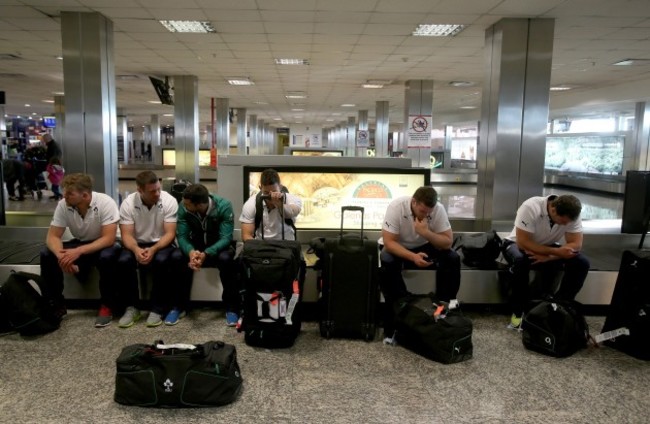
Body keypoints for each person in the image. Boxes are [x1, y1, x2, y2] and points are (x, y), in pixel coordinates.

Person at [39, 173, 121, 327]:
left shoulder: (105, 203)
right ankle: (56, 304)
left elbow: (108, 238)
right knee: (46, 253)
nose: (65, 196)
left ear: (84, 195)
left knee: (107, 257)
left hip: (102, 244)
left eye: (69, 193)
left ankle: (107, 305)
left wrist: (78, 252)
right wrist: (61, 256)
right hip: (81, 243)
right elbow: (53, 237)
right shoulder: (64, 205)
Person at [379, 186, 461, 337]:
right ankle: (401, 308)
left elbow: (447, 242)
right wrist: (413, 257)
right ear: (414, 202)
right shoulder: (397, 207)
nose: (426, 215)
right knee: (386, 259)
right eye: (423, 211)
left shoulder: (438, 209)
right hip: (400, 246)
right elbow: (389, 242)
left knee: (452, 258)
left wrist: (425, 232)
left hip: (426, 245)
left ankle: (443, 307)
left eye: (429, 212)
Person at [501, 194, 590, 329]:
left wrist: (551, 256)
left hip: (547, 247)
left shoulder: (572, 215)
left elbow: (576, 244)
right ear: (553, 210)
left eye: (568, 223)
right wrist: (555, 252)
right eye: (563, 221)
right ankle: (518, 311)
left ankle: (560, 305)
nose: (566, 225)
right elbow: (523, 242)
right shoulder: (531, 207)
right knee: (520, 261)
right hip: (516, 244)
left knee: (581, 262)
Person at [116, 170, 185, 328]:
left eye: (158, 189)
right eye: (152, 191)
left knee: (161, 260)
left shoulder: (169, 201)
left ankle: (158, 308)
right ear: (139, 190)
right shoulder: (128, 203)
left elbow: (170, 233)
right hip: (137, 242)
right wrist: (135, 249)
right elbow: (126, 235)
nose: (157, 193)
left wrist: (153, 249)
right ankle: (132, 307)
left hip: (161, 243)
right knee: (124, 260)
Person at [176, 184, 240, 326]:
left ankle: (231, 308)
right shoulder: (183, 206)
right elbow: (182, 236)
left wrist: (207, 253)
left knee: (227, 260)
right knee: (177, 257)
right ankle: (180, 305)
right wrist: (191, 252)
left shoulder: (224, 206)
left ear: (198, 204)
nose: (183, 206)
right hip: (195, 247)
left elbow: (226, 238)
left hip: (218, 247)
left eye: (187, 204)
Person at [240, 168, 302, 241]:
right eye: (266, 193)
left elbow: (291, 212)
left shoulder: (293, 199)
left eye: (274, 191)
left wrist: (279, 204)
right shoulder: (251, 203)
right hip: (262, 245)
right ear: (260, 188)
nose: (270, 196)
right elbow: (246, 235)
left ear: (280, 187)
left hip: (287, 245)